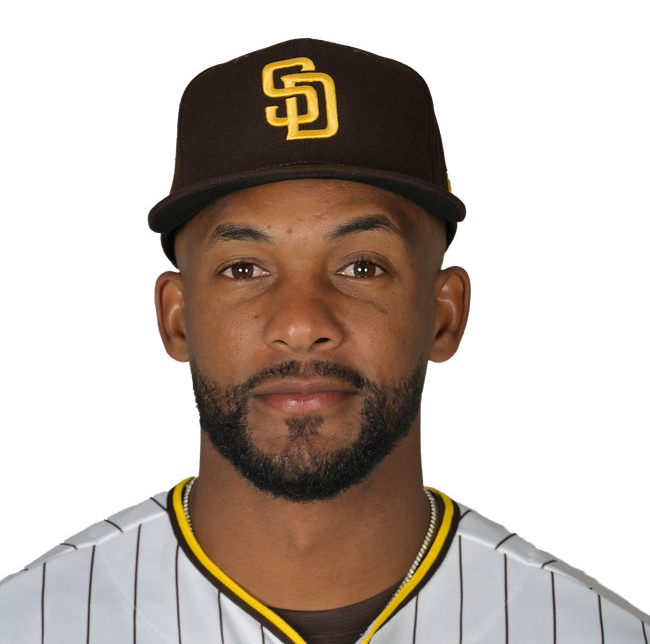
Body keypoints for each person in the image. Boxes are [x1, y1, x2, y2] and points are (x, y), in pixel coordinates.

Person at [0, 38, 647, 644]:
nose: (301, 322)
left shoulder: (598, 632)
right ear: (176, 318)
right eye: (243, 269)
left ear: (444, 315)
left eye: (362, 266)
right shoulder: (26, 622)